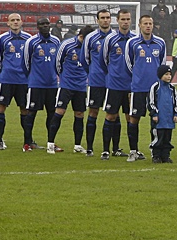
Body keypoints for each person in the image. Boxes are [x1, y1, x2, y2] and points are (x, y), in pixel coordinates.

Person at [125, 14, 167, 161]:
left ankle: (155, 151)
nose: (148, 26)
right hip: (138, 88)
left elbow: (162, 65)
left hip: (155, 89)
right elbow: (129, 64)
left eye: (150, 23)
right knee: (134, 119)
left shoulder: (160, 42)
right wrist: (138, 77)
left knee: (155, 119)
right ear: (139, 25)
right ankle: (133, 151)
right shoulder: (132, 43)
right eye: (145, 23)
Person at [48, 25, 93, 155]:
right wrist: (63, 78)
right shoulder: (67, 44)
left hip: (81, 85)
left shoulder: (89, 47)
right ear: (81, 37)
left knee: (79, 114)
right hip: (66, 85)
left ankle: (77, 145)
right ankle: (50, 143)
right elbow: (57, 63)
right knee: (60, 111)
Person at [100, 9, 137, 160]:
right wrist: (113, 74)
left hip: (131, 87)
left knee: (131, 118)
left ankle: (133, 150)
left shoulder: (135, 39)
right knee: (110, 116)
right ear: (117, 20)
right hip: (114, 85)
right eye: (123, 19)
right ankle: (105, 150)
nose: (125, 22)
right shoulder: (110, 39)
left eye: (128, 19)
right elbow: (103, 61)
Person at [0, 13, 32, 151]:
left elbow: (31, 59)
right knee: (0, 108)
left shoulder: (28, 39)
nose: (15, 22)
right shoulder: (2, 39)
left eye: (17, 20)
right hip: (7, 80)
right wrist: (6, 71)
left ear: (22, 22)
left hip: (23, 81)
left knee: (25, 109)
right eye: (12, 20)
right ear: (8, 23)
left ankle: (27, 142)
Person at [24, 18, 61, 152]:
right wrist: (33, 77)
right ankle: (27, 142)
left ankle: (51, 142)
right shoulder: (31, 42)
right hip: (36, 84)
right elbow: (25, 63)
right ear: (37, 26)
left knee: (52, 113)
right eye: (42, 24)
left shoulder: (56, 41)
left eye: (47, 24)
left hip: (52, 84)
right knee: (31, 113)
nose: (45, 26)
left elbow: (59, 61)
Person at [82, 9, 113, 157]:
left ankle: (112, 148)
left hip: (113, 82)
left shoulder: (115, 37)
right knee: (93, 112)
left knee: (113, 114)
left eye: (107, 17)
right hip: (96, 81)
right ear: (97, 20)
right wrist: (93, 72)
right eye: (102, 18)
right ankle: (89, 147)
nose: (105, 20)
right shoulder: (90, 38)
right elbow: (84, 59)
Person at [149, 64, 177, 164]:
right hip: (159, 120)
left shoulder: (172, 88)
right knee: (158, 138)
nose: (168, 76)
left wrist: (176, 114)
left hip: (169, 119)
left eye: (170, 74)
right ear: (160, 75)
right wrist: (154, 114)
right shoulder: (155, 87)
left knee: (167, 138)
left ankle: (166, 156)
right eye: (166, 74)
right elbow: (151, 102)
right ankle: (156, 156)